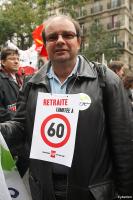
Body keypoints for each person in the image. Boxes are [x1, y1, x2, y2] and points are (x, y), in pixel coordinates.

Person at [0, 15, 133, 200]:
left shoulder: (105, 79)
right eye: (53, 37)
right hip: (44, 190)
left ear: (79, 41)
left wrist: (126, 192)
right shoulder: (32, 84)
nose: (60, 41)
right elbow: (21, 126)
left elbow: (123, 141)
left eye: (67, 35)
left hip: (92, 192)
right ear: (46, 45)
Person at [0, 47, 23, 123]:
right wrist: (19, 116)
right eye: (12, 59)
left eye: (18, 59)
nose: (16, 61)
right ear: (3, 62)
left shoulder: (21, 79)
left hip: (19, 126)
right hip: (6, 128)